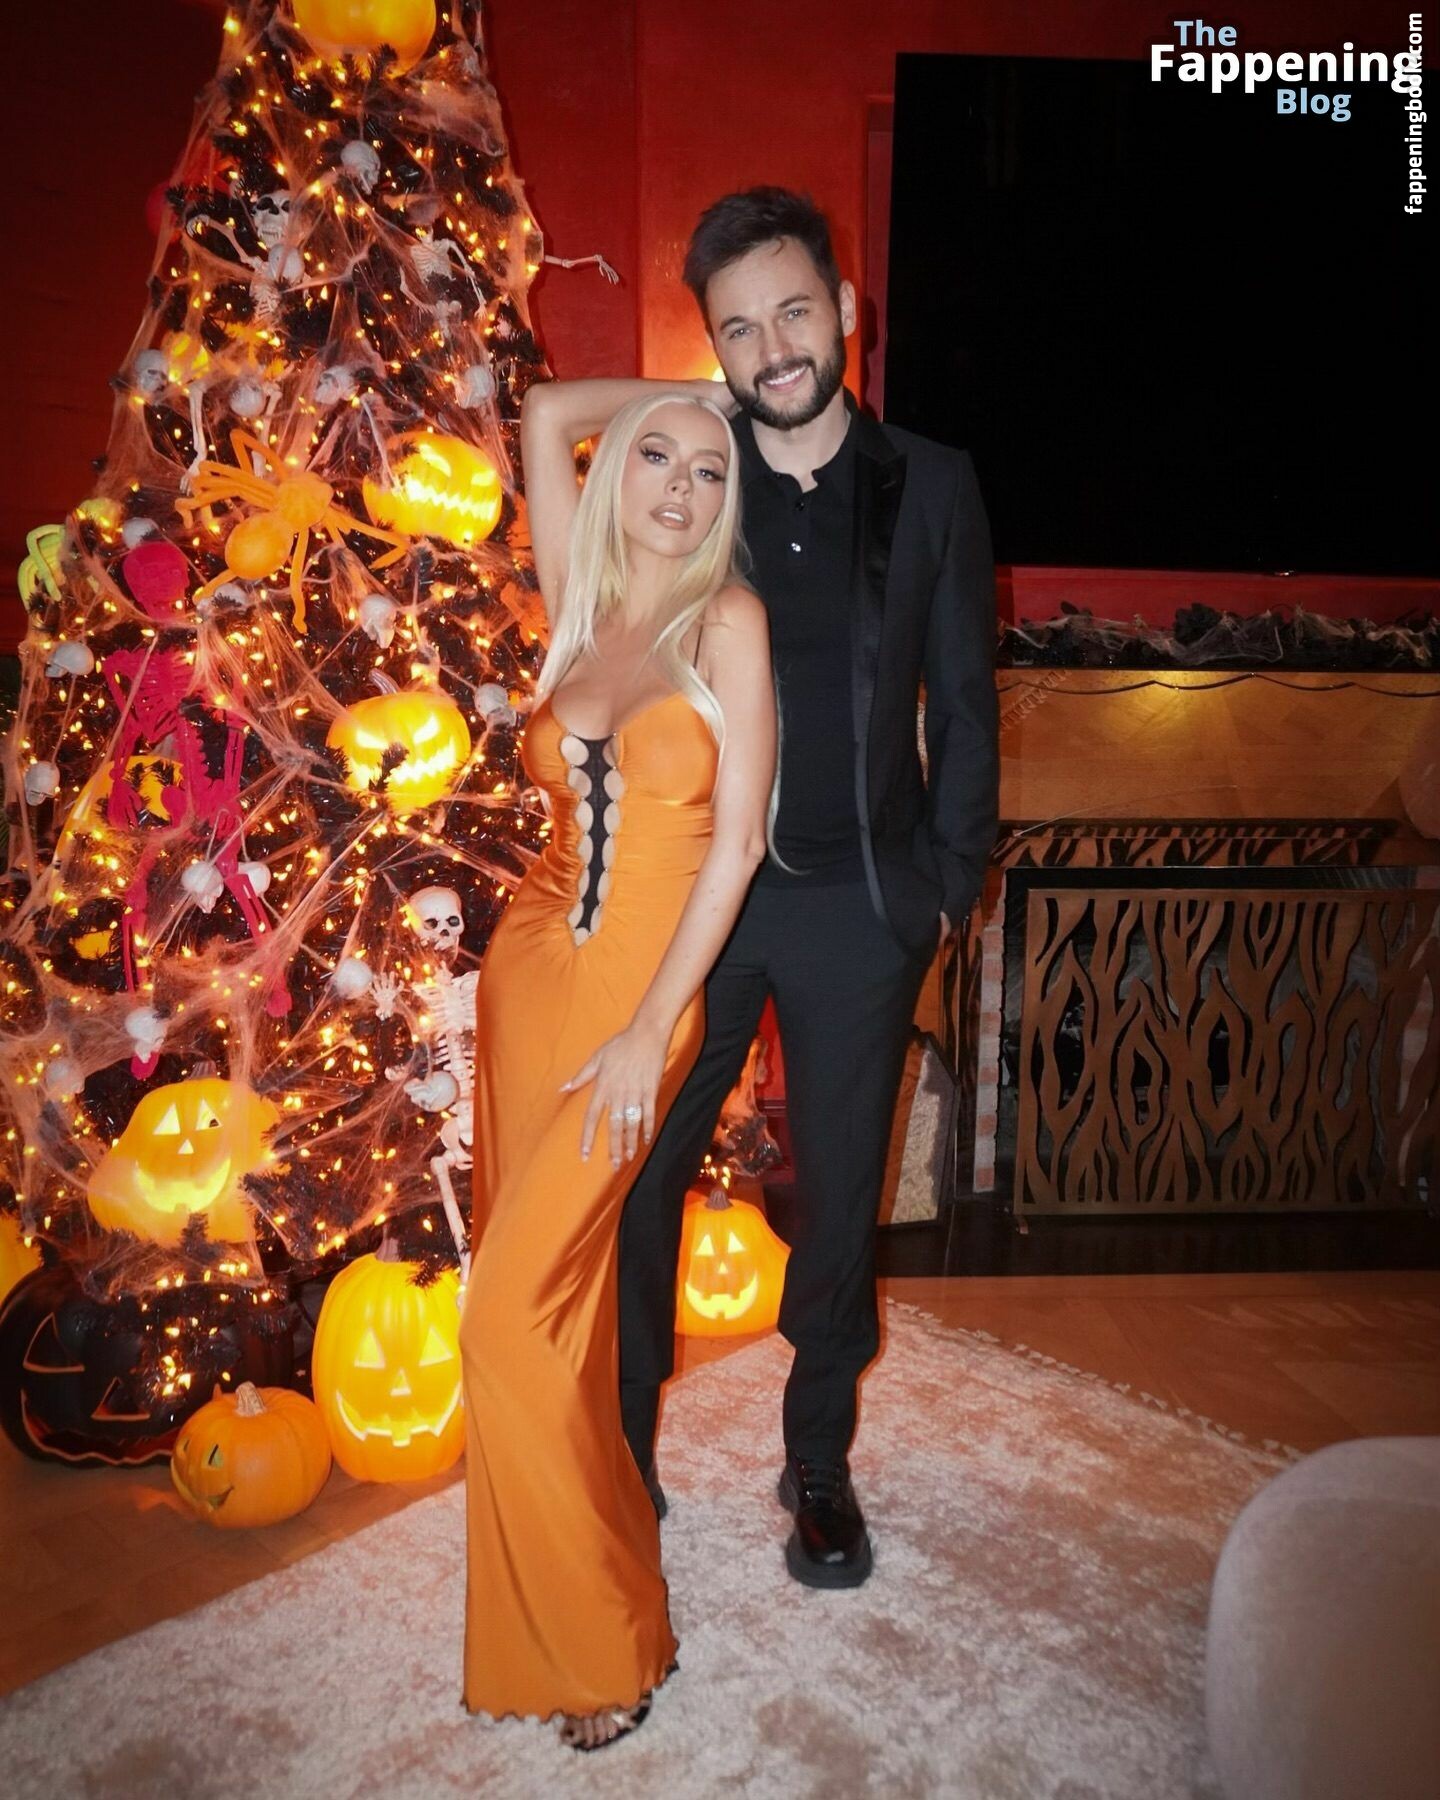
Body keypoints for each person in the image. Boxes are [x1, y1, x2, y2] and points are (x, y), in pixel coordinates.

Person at [610, 187, 999, 1587]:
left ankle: (817, 1460)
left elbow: (965, 699)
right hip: (697, 903)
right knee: (643, 1174)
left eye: (793, 311)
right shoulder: (694, 475)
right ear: (713, 346)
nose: (772, 348)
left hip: (861, 906)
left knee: (839, 1205)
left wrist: (945, 887)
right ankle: (621, 1451)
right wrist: (670, 406)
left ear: (845, 310)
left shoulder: (933, 485)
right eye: (737, 328)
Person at [458, 383, 776, 1749]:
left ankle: (608, 1640)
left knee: (500, 1320)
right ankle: (574, 1603)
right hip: (528, 982)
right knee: (553, 1323)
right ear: (616, 476)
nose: (682, 489)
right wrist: (691, 393)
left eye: (711, 471)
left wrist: (654, 1025)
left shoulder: (730, 622)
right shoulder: (579, 606)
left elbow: (737, 844)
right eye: (657, 457)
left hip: (640, 1004)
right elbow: (542, 416)